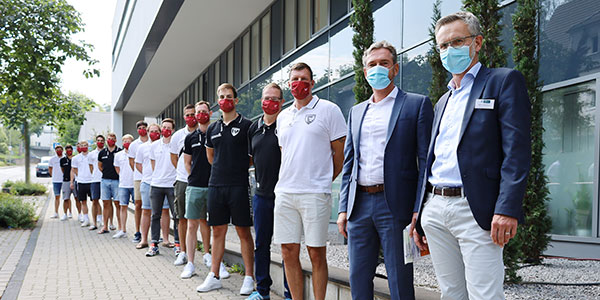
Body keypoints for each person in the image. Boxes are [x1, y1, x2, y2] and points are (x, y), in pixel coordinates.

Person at [411, 11, 531, 300]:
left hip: (477, 209)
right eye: (443, 46)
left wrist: (507, 207)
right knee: (451, 293)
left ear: (477, 42)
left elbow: (517, 150)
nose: (449, 50)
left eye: (457, 42)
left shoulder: (503, 82)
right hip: (436, 209)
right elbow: (432, 159)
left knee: (484, 294)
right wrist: (420, 211)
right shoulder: (442, 101)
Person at [336, 41, 433, 300]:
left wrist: (418, 208)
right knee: (358, 278)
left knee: (400, 279)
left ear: (395, 69)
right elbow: (349, 163)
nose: (377, 68)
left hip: (396, 208)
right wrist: (343, 208)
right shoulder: (356, 112)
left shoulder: (416, 105)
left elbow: (425, 161)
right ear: (365, 71)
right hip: (359, 207)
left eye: (384, 63)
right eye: (372, 64)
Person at [274, 62, 346, 300]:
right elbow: (287, 152)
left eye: (304, 79)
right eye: (295, 79)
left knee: (316, 253)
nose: (299, 83)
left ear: (312, 83)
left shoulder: (329, 110)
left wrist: (324, 180)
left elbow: (340, 154)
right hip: (285, 192)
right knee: (288, 251)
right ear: (288, 84)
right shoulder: (283, 116)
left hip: (315, 193)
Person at [197, 83, 252, 295]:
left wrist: (235, 168)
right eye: (221, 96)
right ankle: (214, 276)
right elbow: (211, 157)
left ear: (236, 100)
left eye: (229, 96)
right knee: (217, 231)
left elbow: (251, 158)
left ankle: (248, 277)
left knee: (243, 232)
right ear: (217, 101)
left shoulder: (247, 125)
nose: (225, 99)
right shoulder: (212, 128)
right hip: (216, 185)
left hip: (238, 185)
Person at [246, 83, 292, 300]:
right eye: (266, 98)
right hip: (262, 197)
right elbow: (251, 159)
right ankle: (262, 291)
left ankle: (290, 292)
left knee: (288, 248)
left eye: (275, 98)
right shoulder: (253, 129)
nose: (270, 102)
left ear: (282, 102)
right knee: (261, 245)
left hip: (285, 196)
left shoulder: (287, 125)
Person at [179, 101, 213, 279]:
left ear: (210, 112)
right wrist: (193, 176)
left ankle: (209, 256)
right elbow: (186, 161)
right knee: (191, 224)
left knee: (209, 223)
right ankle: (191, 264)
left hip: (214, 186)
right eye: (197, 112)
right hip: (194, 186)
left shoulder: (216, 132)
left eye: (203, 111)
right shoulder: (190, 137)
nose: (200, 115)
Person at [135, 123, 172, 249]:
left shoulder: (167, 145)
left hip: (163, 183)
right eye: (151, 131)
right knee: (146, 211)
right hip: (147, 183)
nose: (154, 133)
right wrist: (148, 174)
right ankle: (144, 239)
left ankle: (166, 239)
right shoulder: (142, 147)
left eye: (157, 131)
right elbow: (138, 164)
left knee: (165, 211)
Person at [146, 118, 180, 257]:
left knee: (176, 215)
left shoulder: (176, 144)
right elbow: (153, 164)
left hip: (172, 185)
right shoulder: (154, 146)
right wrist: (159, 176)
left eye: (168, 127)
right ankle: (153, 244)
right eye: (164, 127)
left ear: (172, 130)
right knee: (155, 215)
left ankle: (178, 244)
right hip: (156, 185)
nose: (166, 129)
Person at [171, 104, 199, 265]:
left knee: (201, 219)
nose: (191, 117)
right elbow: (174, 157)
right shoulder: (178, 136)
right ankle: (182, 251)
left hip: (200, 181)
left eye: (193, 114)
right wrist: (183, 172)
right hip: (182, 180)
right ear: (184, 117)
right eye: (187, 115)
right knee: (181, 218)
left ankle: (207, 254)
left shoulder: (204, 132)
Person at [128, 120, 150, 243]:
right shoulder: (134, 145)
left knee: (154, 207)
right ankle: (137, 231)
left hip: (153, 179)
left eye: (144, 127)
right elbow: (132, 162)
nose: (142, 129)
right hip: (139, 178)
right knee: (138, 205)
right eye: (139, 128)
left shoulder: (152, 142)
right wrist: (142, 173)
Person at [97, 133, 122, 234]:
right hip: (105, 181)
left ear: (115, 140)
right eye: (109, 139)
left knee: (118, 204)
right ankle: (105, 226)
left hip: (117, 181)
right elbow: (100, 166)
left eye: (112, 139)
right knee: (106, 203)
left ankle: (121, 227)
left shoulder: (119, 151)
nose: (110, 140)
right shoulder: (102, 153)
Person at [114, 134, 135, 239]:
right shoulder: (118, 155)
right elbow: (117, 169)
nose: (127, 143)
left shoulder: (136, 153)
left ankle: (138, 231)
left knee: (139, 208)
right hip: (123, 184)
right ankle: (123, 229)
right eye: (125, 141)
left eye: (129, 141)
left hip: (135, 184)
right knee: (123, 206)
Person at [71, 141, 93, 227]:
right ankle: (86, 219)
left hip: (91, 181)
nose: (84, 147)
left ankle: (99, 218)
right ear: (79, 147)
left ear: (88, 146)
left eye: (85, 145)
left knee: (95, 201)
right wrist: (80, 176)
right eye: (82, 146)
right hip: (81, 182)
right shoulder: (76, 158)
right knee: (83, 201)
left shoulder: (92, 156)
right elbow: (74, 169)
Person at [88, 135, 105, 230]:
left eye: (102, 141)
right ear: (96, 142)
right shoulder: (91, 154)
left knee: (107, 202)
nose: (100, 142)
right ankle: (94, 223)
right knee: (94, 200)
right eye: (98, 140)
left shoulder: (106, 152)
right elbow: (91, 167)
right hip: (95, 180)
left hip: (105, 179)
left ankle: (106, 221)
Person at [60, 145, 76, 219]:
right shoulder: (62, 160)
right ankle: (65, 214)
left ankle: (79, 214)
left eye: (70, 150)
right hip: (66, 181)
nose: (69, 151)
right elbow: (62, 170)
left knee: (77, 198)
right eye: (67, 150)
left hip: (75, 181)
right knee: (66, 198)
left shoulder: (76, 158)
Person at [49, 144, 64, 220]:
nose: (59, 151)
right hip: (56, 180)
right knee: (57, 197)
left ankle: (67, 213)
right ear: (55, 151)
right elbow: (50, 169)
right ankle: (56, 212)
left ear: (62, 150)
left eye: (60, 150)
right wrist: (53, 176)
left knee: (66, 198)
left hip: (64, 180)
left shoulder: (65, 158)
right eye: (57, 150)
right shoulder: (52, 159)